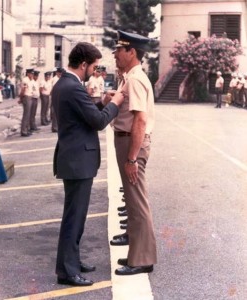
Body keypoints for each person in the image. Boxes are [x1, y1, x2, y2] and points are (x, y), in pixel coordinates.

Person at [52, 42, 124, 287]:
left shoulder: (65, 84)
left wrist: (103, 101)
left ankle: (71, 260)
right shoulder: (73, 87)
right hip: (77, 160)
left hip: (74, 158)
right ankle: (67, 271)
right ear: (83, 64)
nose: (94, 70)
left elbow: (85, 116)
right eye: (93, 66)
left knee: (76, 215)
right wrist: (116, 102)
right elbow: (97, 122)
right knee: (74, 216)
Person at [110, 30, 157, 276]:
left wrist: (131, 158)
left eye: (120, 49)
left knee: (137, 202)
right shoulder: (130, 76)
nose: (115, 54)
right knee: (132, 198)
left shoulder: (136, 79)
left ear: (132, 52)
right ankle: (137, 253)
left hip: (132, 143)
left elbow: (140, 120)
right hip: (127, 141)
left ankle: (142, 259)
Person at [19, 68, 34, 137]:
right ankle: (23, 131)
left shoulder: (30, 80)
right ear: (28, 73)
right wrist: (21, 98)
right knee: (26, 115)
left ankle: (27, 129)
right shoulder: (25, 80)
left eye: (32, 73)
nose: (32, 75)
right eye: (31, 73)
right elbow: (23, 90)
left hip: (29, 97)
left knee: (28, 114)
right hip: (26, 97)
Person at [50, 68, 63, 132]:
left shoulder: (59, 78)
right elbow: (54, 89)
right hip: (55, 96)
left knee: (58, 112)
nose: (60, 74)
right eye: (59, 73)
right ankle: (54, 127)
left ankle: (57, 126)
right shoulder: (55, 79)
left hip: (59, 96)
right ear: (57, 73)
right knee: (55, 112)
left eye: (61, 73)